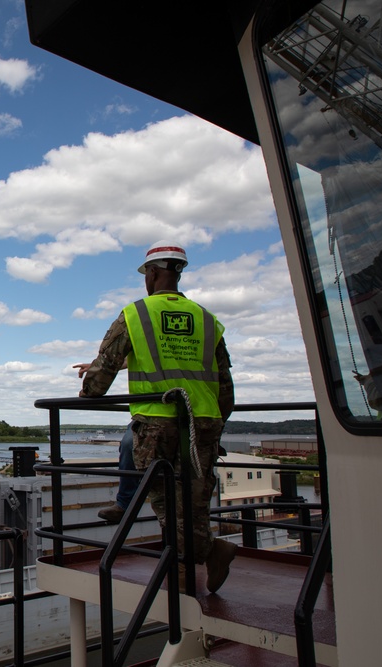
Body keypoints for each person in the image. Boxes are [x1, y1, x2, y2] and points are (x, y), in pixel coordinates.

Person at [77, 240, 236, 594]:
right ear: (178, 273)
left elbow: (106, 368)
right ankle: (210, 555)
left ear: (151, 273)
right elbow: (225, 386)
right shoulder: (207, 319)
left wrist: (88, 391)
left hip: (157, 422)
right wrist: (215, 423)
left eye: (146, 273)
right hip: (204, 422)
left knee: (166, 501)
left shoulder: (136, 314)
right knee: (194, 501)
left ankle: (183, 577)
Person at [73, 361, 137, 524]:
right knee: (129, 445)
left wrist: (89, 389)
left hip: (193, 412)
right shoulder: (145, 337)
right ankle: (124, 505)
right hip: (149, 412)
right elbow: (134, 357)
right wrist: (97, 365)